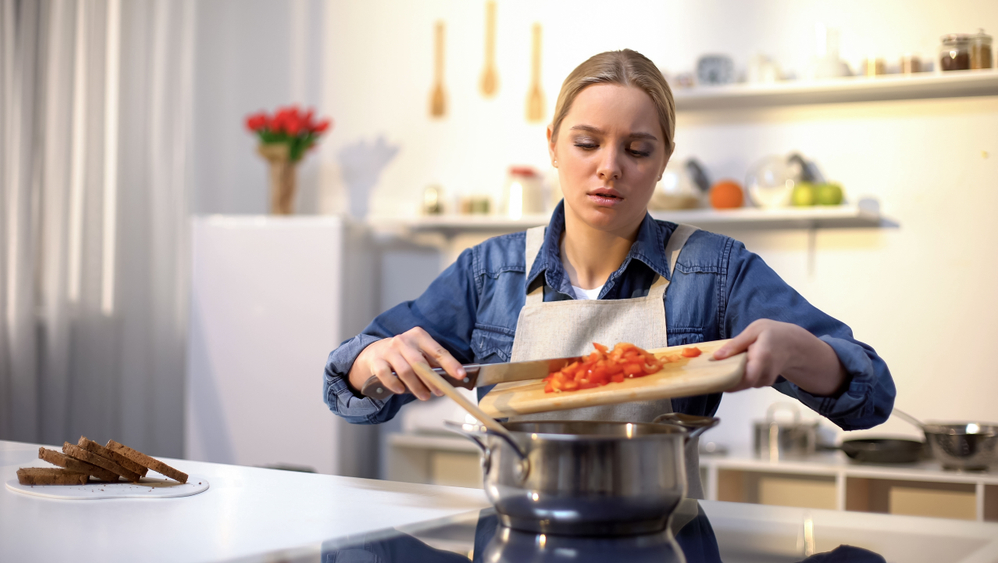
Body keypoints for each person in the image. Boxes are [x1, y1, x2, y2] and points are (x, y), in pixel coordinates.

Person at [323, 49, 895, 497]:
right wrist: (374, 361)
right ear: (553, 146)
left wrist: (800, 351)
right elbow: (347, 388)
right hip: (519, 531)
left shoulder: (715, 270)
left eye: (637, 150)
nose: (609, 168)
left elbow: (871, 396)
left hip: (664, 535)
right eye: (587, 143)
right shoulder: (489, 272)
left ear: (664, 160)